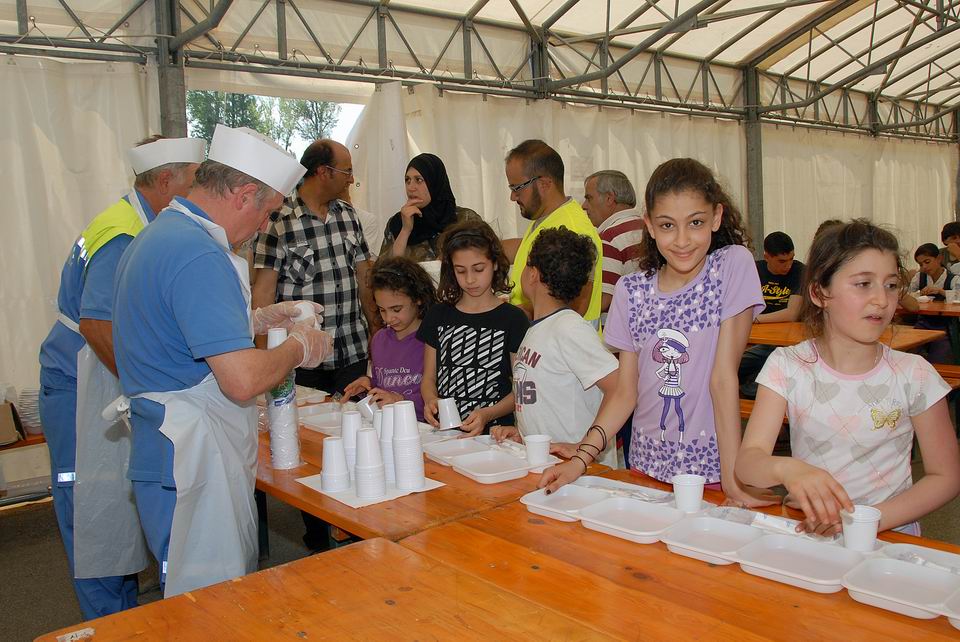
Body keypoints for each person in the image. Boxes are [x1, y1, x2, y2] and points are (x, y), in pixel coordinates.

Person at [112, 124, 332, 598]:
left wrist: (256, 318)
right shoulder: (198, 254)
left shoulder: (163, 235)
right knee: (211, 603)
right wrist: (298, 346)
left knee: (191, 596)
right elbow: (240, 380)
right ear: (244, 194)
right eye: (268, 213)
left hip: (165, 447)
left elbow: (180, 328)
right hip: (191, 456)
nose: (265, 227)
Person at [538, 158, 778, 509]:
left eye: (695, 222)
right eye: (667, 225)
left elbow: (723, 378)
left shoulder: (731, 266)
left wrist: (732, 480)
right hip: (645, 467)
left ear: (716, 217)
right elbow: (625, 393)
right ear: (648, 225)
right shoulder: (631, 291)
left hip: (711, 472)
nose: (682, 240)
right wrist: (580, 459)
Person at [37, 135, 204, 619]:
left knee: (115, 504)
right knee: (93, 510)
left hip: (97, 379)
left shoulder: (139, 222)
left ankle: (127, 614)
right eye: (194, 182)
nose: (199, 194)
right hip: (80, 386)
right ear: (166, 180)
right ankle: (110, 622)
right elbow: (96, 324)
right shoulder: (125, 233)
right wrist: (145, 387)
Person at [736, 220, 960, 536]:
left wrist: (864, 521)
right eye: (863, 284)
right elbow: (748, 462)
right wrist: (788, 469)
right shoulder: (787, 365)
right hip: (814, 534)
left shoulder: (915, 374)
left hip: (887, 538)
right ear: (819, 292)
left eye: (891, 285)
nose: (882, 299)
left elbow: (946, 476)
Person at [252, 139, 379, 396]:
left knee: (355, 419)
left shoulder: (348, 215)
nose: (351, 179)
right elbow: (264, 293)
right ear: (323, 171)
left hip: (351, 351)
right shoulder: (279, 220)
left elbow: (364, 278)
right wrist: (264, 357)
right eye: (346, 171)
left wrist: (376, 329)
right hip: (302, 358)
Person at [491, 227, 619, 467]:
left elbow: (620, 387)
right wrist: (524, 435)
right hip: (549, 466)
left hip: (581, 473)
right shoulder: (539, 329)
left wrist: (585, 446)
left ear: (532, 274)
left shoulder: (569, 328)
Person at [419, 220, 529, 435]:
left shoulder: (514, 319)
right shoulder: (438, 315)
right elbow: (429, 378)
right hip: (447, 433)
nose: (470, 279)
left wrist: (488, 413)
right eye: (461, 271)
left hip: (496, 435)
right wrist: (431, 399)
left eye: (479, 269)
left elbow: (521, 388)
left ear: (495, 263)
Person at [503, 140, 603, 324]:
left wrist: (513, 315)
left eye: (516, 188)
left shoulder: (573, 228)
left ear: (544, 184)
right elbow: (524, 249)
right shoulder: (548, 218)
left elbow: (577, 304)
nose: (513, 196)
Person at [342, 257, 437, 420]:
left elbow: (439, 400)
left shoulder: (433, 339)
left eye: (396, 309)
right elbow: (384, 385)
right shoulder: (379, 339)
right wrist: (368, 384)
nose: (388, 318)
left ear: (418, 298)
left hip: (423, 427)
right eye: (382, 310)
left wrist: (400, 400)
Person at [737, 231, 806, 398]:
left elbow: (792, 314)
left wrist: (755, 319)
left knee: (764, 379)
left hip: (789, 345)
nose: (788, 265)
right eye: (782, 261)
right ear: (767, 256)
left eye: (791, 259)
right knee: (732, 367)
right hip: (763, 342)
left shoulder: (800, 271)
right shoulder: (754, 269)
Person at [380, 153, 480, 261]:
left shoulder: (465, 219)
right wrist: (405, 231)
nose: (411, 188)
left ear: (434, 182)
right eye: (407, 180)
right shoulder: (398, 223)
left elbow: (485, 259)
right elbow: (386, 269)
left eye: (419, 180)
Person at [582, 170, 644, 316]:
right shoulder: (648, 229)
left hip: (619, 326)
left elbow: (604, 299)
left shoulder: (609, 237)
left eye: (589, 198)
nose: (584, 206)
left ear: (609, 198)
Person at [904, 243, 959, 363]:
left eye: (927, 262)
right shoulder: (920, 277)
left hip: (945, 325)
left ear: (939, 258)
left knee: (939, 357)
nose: (924, 267)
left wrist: (941, 291)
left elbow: (958, 296)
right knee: (910, 352)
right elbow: (909, 294)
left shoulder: (953, 279)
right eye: (920, 264)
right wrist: (919, 293)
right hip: (923, 322)